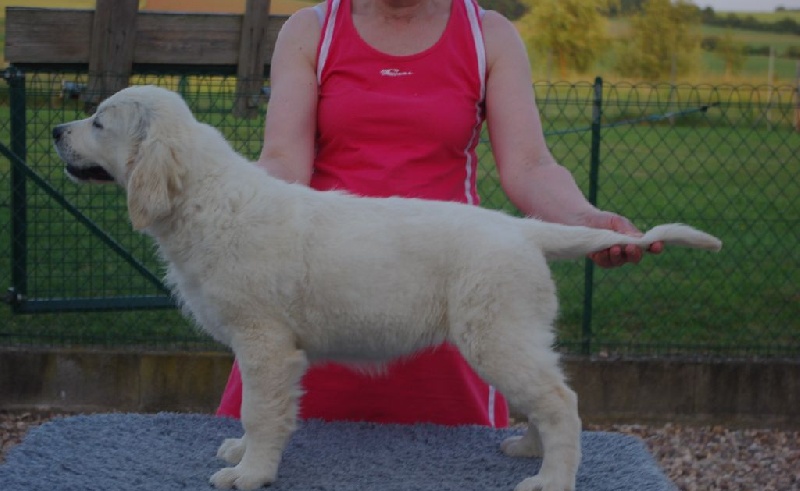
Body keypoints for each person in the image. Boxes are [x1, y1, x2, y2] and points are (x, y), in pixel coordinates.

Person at [216, 0, 662, 426]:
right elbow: (283, 163)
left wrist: (583, 219)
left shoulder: (489, 35)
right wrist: (222, 200)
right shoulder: (311, 30)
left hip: (447, 304)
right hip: (320, 311)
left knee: (456, 471)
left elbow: (530, 166)